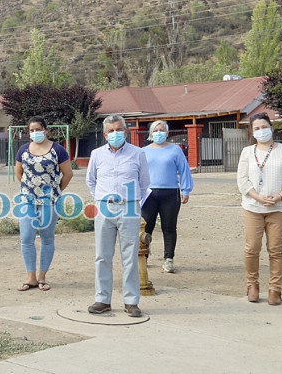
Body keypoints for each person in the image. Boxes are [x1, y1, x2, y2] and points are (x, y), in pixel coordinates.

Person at [86, 114, 150, 317]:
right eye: (111, 130)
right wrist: (101, 199)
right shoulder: (96, 154)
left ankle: (131, 301)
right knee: (102, 255)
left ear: (126, 131)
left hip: (129, 207)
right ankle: (102, 299)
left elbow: (144, 182)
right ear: (105, 134)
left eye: (119, 129)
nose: (115, 134)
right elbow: (91, 181)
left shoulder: (138, 153)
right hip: (104, 207)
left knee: (130, 256)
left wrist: (134, 203)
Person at [237, 112, 282, 305]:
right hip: (253, 207)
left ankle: (275, 289)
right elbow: (242, 180)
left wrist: (279, 196)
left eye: (264, 127)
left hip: (279, 208)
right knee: (252, 248)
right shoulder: (247, 152)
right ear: (252, 132)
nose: (261, 131)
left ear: (271, 127)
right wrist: (258, 197)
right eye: (257, 128)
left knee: (275, 249)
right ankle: (252, 285)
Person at [14, 116, 73, 291]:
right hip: (28, 201)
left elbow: (68, 174)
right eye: (31, 130)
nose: (35, 133)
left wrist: (56, 191)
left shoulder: (58, 150)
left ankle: (42, 277)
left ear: (46, 130)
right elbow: (19, 173)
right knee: (26, 238)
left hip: (49, 201)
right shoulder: (23, 150)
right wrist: (29, 190)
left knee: (47, 238)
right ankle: (30, 277)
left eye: (38, 129)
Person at [141, 120, 194, 273]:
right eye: (156, 130)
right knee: (146, 226)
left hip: (170, 193)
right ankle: (143, 256)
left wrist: (186, 190)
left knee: (169, 227)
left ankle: (168, 259)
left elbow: (184, 170)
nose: (159, 133)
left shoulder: (175, 150)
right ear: (151, 133)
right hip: (148, 194)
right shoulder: (143, 151)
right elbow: (138, 172)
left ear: (167, 132)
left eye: (162, 130)